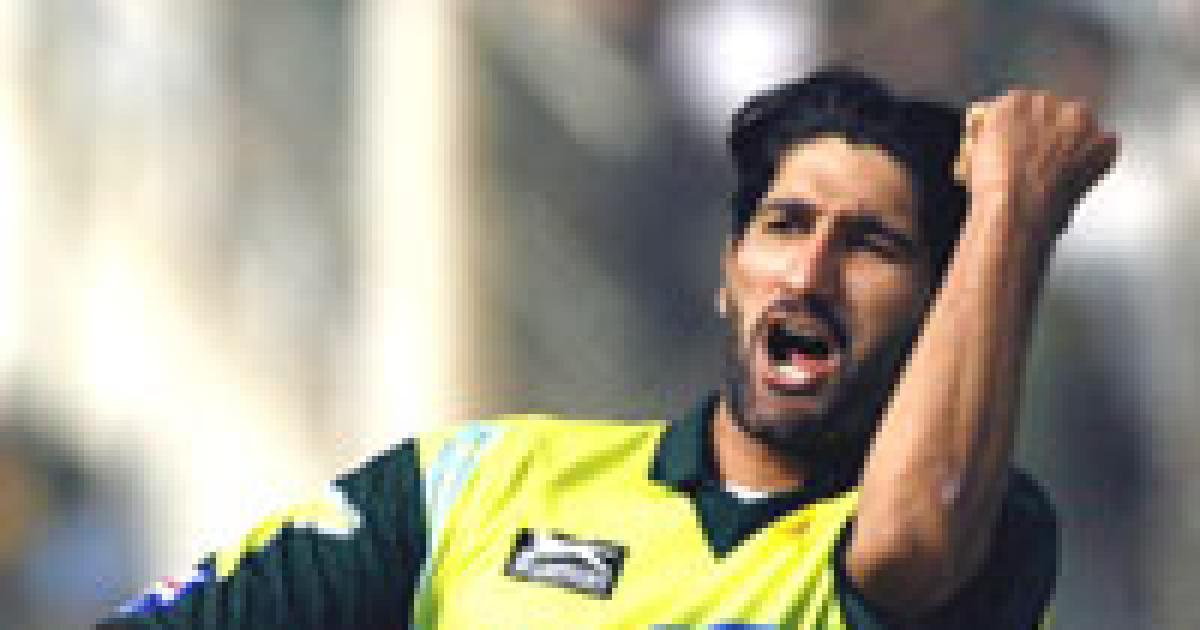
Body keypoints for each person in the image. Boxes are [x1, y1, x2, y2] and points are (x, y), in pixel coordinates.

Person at [99, 68, 1118, 629]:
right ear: (728, 272)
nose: (809, 275)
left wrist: (1014, 209)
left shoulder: (990, 533)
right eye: (785, 226)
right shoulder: (476, 485)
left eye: (872, 246)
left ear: (941, 313)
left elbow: (910, 543)